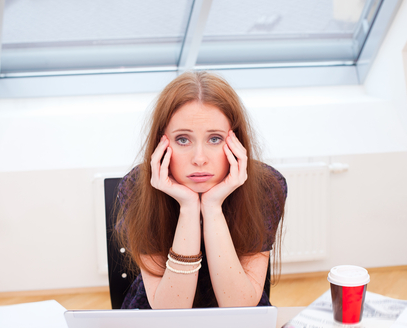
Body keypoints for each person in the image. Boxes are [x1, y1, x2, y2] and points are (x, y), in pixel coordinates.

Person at [115, 71, 287, 309]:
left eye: (215, 139)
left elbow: (238, 308)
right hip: (159, 312)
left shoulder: (265, 186)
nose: (199, 159)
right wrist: (188, 208)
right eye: (183, 140)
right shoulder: (137, 188)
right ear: (161, 143)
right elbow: (170, 313)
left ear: (236, 141)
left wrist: (212, 207)